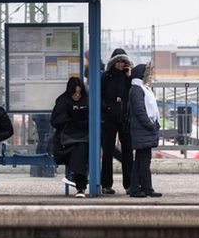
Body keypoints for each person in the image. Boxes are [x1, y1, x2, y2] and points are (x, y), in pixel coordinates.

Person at [99, 49, 135, 195]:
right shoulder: (106, 76)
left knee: (128, 151)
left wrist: (128, 77)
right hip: (109, 119)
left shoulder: (129, 78)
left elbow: (133, 94)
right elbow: (100, 95)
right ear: (113, 62)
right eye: (118, 61)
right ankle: (106, 184)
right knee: (107, 151)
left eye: (123, 62)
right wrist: (107, 108)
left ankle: (129, 184)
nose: (120, 64)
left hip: (125, 119)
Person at [51, 76, 92, 198]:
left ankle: (77, 183)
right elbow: (54, 121)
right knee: (79, 149)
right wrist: (68, 115)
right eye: (74, 93)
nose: (77, 96)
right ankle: (80, 186)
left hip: (82, 137)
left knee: (81, 148)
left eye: (79, 93)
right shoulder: (62, 101)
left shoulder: (87, 100)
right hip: (65, 140)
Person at [126, 63, 162, 198]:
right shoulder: (137, 90)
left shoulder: (139, 88)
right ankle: (146, 188)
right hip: (143, 129)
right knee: (144, 161)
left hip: (143, 130)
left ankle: (137, 188)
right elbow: (140, 111)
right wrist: (150, 125)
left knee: (141, 160)